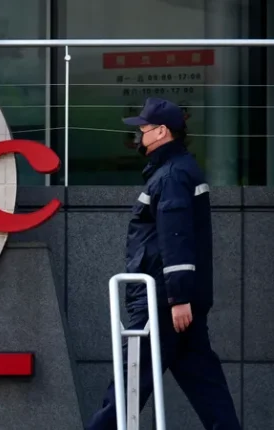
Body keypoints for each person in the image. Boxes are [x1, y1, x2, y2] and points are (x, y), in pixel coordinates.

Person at [84, 97, 241, 430]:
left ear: (161, 132)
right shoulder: (176, 171)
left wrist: (178, 298)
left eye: (143, 129)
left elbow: (176, 236)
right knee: (206, 386)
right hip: (173, 300)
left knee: (128, 386)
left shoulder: (170, 176)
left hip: (162, 302)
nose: (139, 136)